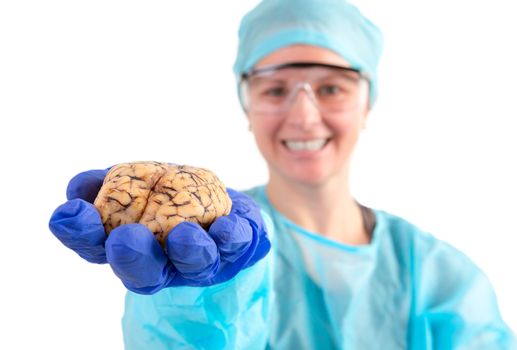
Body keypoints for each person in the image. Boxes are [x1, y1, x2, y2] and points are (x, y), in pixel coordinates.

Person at [49, 0, 516, 348]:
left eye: (331, 87)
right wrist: (199, 300)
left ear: (367, 102)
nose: (304, 117)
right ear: (246, 105)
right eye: (275, 89)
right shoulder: (200, 247)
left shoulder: (444, 279)